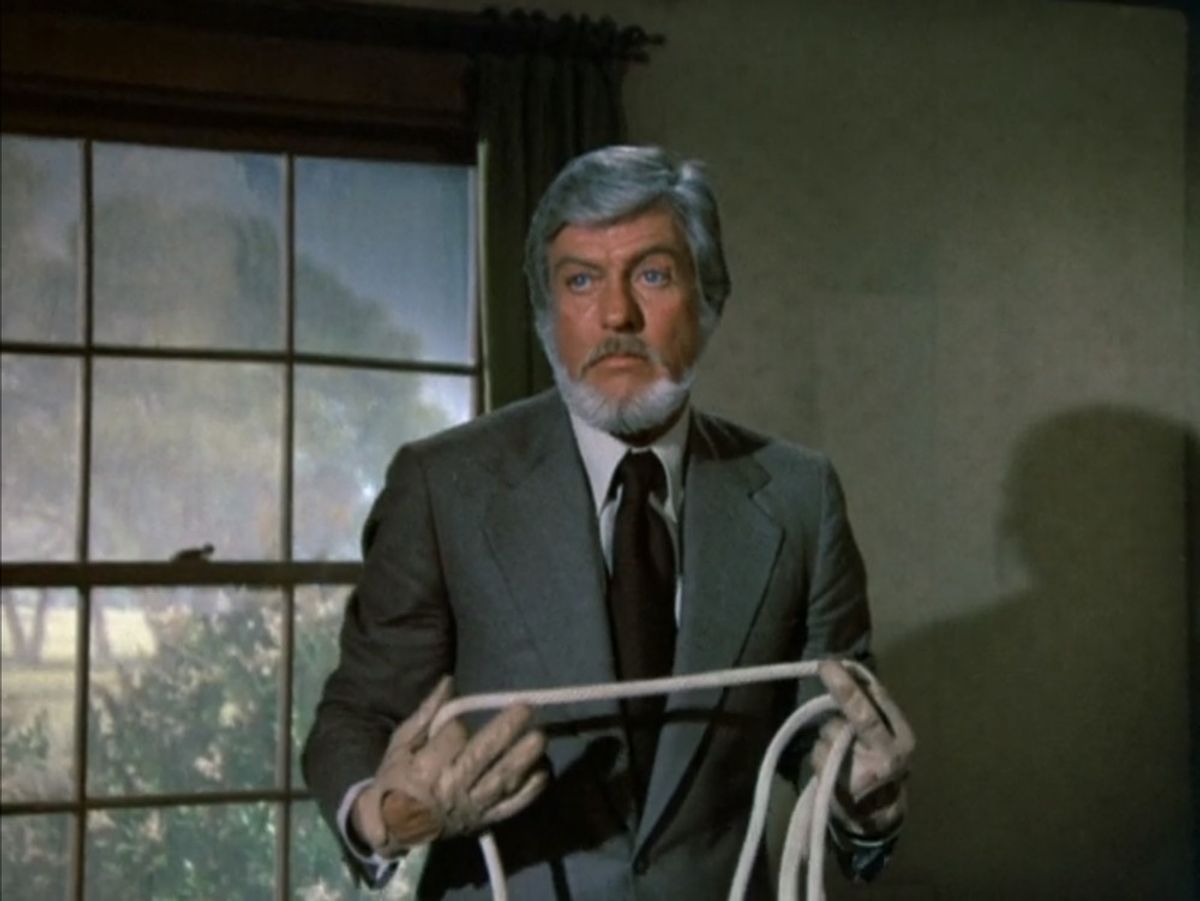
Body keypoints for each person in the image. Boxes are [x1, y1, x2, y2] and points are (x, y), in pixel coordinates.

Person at [303, 145, 914, 900]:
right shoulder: (442, 485)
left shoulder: (800, 495)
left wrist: (865, 803)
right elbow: (356, 718)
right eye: (581, 280)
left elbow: (829, 743)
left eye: (652, 275)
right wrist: (385, 816)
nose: (617, 315)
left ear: (709, 299)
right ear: (545, 315)